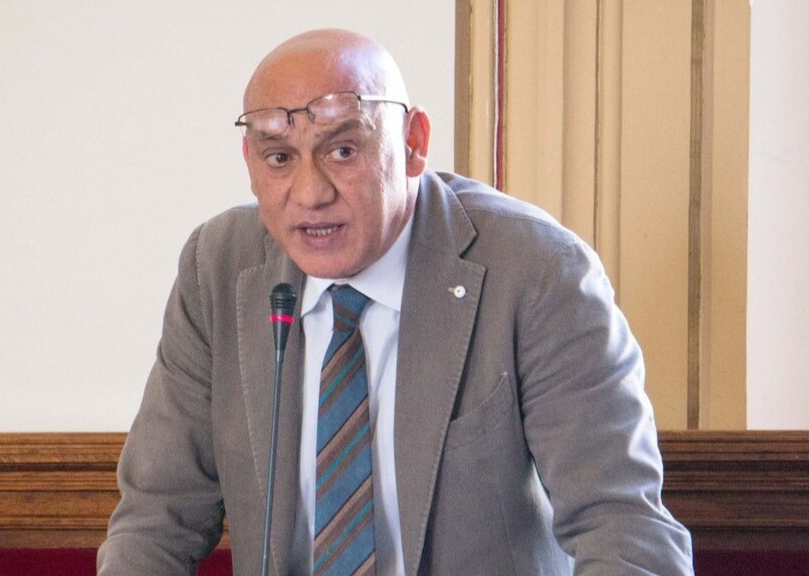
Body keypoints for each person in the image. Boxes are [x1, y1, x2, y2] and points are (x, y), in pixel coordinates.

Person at [97, 28, 693, 576]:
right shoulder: (218, 269)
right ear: (251, 165)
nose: (310, 193)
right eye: (280, 157)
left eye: (342, 151)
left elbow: (626, 533)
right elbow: (155, 523)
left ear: (412, 143)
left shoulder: (537, 270)